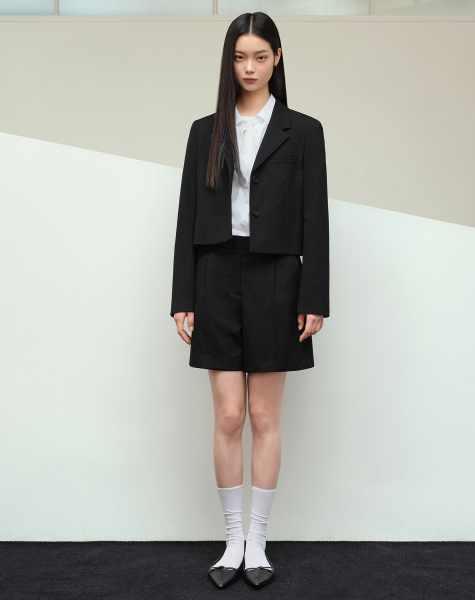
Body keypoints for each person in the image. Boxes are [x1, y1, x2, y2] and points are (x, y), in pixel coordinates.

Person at [170, 11, 329, 589]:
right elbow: (187, 215)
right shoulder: (204, 131)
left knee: (263, 415)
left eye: (260, 57)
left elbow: (316, 217)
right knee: (229, 415)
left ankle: (258, 542)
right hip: (216, 272)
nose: (250, 68)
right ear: (229, 61)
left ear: (277, 58)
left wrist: (314, 297)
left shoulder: (303, 131)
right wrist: (183, 295)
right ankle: (232, 540)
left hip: (276, 277)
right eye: (240, 57)